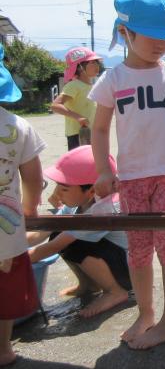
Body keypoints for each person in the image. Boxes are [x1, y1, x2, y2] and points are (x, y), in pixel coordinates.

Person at [90, 0, 165, 350]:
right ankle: (146, 312)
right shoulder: (113, 79)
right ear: (125, 33)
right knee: (138, 249)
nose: (161, 44)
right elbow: (99, 128)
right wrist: (103, 170)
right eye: (152, 36)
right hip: (132, 176)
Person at [26, 146, 131, 318]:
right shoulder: (75, 205)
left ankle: (115, 291)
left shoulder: (102, 210)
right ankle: (88, 285)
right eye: (57, 186)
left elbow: (52, 247)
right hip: (113, 260)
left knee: (74, 244)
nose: (57, 193)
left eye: (64, 189)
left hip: (129, 271)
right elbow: (43, 232)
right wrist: (11, 245)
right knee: (59, 233)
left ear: (90, 191)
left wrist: (14, 261)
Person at [0, 43, 45, 366]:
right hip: (7, 232)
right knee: (5, 291)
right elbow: (32, 177)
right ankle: (3, 349)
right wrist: (30, 209)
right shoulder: (17, 126)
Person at [51, 47, 102, 151]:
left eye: (97, 62)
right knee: (80, 164)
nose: (97, 65)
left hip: (91, 132)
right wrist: (78, 117)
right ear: (79, 67)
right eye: (92, 62)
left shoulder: (91, 86)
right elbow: (55, 106)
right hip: (77, 134)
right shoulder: (74, 85)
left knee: (91, 164)